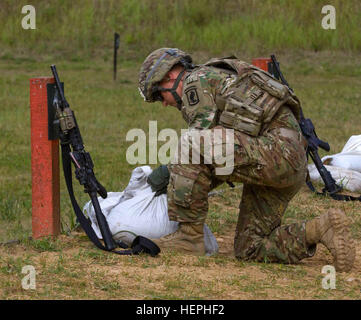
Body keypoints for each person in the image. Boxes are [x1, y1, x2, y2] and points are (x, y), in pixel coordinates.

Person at [138, 48, 355, 272]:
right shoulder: (218, 78)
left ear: (169, 77)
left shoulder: (196, 82)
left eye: (159, 95)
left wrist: (164, 176)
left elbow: (199, 148)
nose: (163, 103)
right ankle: (320, 228)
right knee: (251, 247)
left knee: (189, 144)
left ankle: (189, 238)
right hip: (287, 162)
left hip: (275, 154)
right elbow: (212, 161)